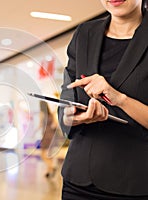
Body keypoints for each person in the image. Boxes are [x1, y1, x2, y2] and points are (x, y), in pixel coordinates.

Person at [58, 0, 148, 199]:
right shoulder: (84, 33)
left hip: (135, 184)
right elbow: (67, 97)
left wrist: (119, 98)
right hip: (78, 180)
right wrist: (71, 117)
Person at [38, 101, 57, 178]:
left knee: (43, 155)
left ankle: (52, 167)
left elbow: (39, 125)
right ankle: (49, 171)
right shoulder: (51, 114)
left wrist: (34, 131)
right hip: (51, 135)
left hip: (46, 135)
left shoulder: (42, 114)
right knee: (49, 155)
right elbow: (55, 124)